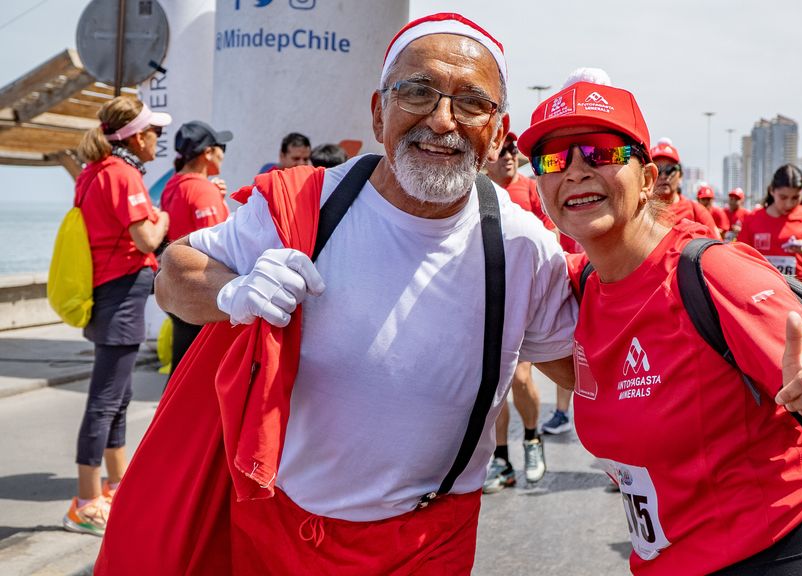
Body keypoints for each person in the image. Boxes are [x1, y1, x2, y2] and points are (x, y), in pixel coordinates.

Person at [97, 13, 576, 574]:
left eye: (472, 102)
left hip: (433, 541)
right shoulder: (309, 204)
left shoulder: (522, 245)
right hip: (280, 532)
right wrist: (235, 291)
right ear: (379, 112)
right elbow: (173, 274)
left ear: (497, 132)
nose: (442, 120)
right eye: (417, 92)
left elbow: (584, 370)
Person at [519, 79, 802, 575]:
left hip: (781, 555)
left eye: (600, 153)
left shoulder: (712, 272)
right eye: (554, 160)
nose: (576, 171)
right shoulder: (577, 287)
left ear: (647, 179)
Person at [63, 96, 171, 536]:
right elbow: (146, 238)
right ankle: (85, 502)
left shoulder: (95, 173)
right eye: (155, 133)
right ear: (137, 136)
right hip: (121, 294)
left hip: (108, 292)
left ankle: (115, 485)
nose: (158, 141)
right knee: (106, 400)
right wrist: (162, 215)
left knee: (119, 397)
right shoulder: (124, 176)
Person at [482, 130, 552, 491]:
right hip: (486, 300)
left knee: (521, 378)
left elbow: (551, 240)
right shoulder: (475, 190)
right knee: (495, 385)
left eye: (514, 149)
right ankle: (502, 461)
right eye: (503, 149)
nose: (510, 154)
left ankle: (532, 439)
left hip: (524, 299)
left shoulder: (531, 190)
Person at [160, 121, 233, 375]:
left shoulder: (174, 185)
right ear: (208, 152)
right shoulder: (202, 189)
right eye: (221, 147)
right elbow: (219, 248)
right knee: (203, 376)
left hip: (180, 288)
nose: (224, 154)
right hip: (204, 290)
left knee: (182, 368)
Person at [737, 164, 802, 286]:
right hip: (760, 293)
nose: (789, 204)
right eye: (783, 197)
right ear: (772, 191)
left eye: (795, 197)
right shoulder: (752, 219)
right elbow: (739, 261)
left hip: (797, 297)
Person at [648, 138, 721, 237]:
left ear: (681, 176)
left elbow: (716, 248)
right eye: (658, 169)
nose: (664, 175)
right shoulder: (639, 212)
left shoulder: (696, 212)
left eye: (670, 169)